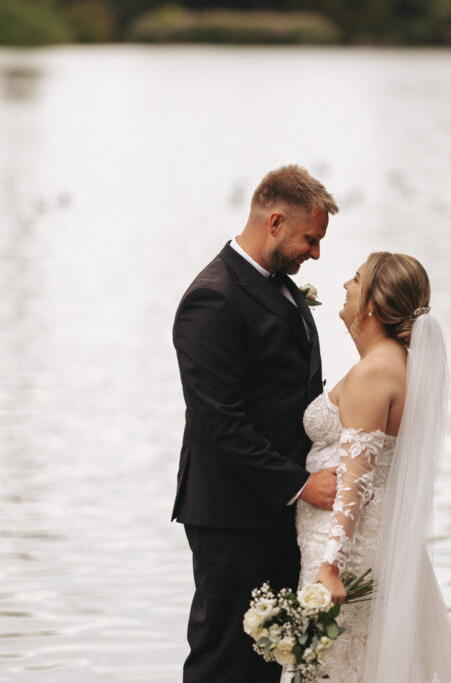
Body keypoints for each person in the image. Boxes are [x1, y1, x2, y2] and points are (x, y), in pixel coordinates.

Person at [171, 165, 340, 683]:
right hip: (231, 515)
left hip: (275, 514)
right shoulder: (212, 298)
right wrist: (301, 486)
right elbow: (219, 421)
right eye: (310, 240)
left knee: (269, 660)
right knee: (223, 661)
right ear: (274, 222)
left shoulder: (283, 289)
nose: (315, 254)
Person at [288, 252, 451, 682]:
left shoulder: (374, 373)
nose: (345, 285)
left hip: (346, 552)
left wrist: (330, 568)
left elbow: (356, 479)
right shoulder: (398, 367)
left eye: (355, 279)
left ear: (371, 304)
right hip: (371, 542)